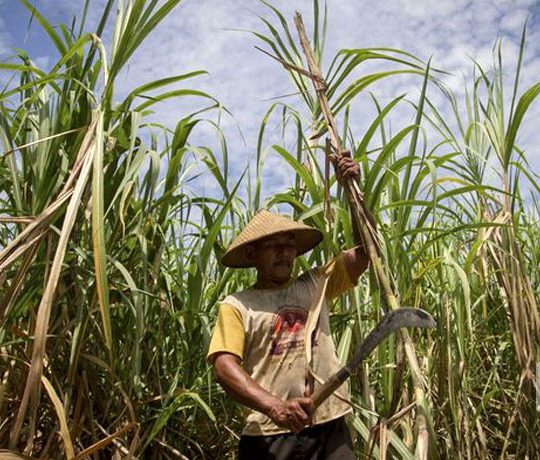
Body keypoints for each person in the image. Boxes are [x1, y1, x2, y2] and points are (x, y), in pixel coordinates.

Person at [207, 155, 369, 459]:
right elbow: (224, 367)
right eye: (274, 245)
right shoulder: (238, 305)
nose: (285, 253)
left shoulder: (316, 285)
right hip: (271, 436)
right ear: (253, 253)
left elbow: (364, 254)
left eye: (290, 244)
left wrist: (353, 192)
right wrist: (276, 407)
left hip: (329, 427)